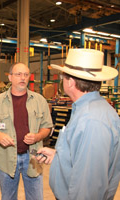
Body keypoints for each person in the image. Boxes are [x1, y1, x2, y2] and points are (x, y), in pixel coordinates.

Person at [36, 48, 120, 200]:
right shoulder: (87, 109)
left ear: (71, 82)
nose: (62, 80)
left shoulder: (91, 120)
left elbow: (90, 185)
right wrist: (59, 156)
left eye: (63, 77)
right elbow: (84, 156)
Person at [0, 62, 53, 200]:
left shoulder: (40, 101)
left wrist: (37, 136)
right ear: (10, 77)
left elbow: (47, 127)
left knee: (36, 197)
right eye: (18, 74)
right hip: (6, 156)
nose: (23, 78)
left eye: (26, 75)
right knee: (8, 197)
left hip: (33, 155)